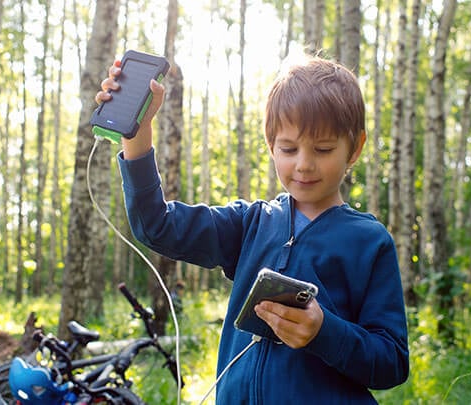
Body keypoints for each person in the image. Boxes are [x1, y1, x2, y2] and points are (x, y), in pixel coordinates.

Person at [96, 54, 409, 404]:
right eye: (288, 148)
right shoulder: (250, 223)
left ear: (355, 148)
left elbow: (392, 363)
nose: (304, 164)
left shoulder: (369, 242)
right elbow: (156, 226)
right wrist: (137, 133)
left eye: (323, 149)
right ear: (270, 144)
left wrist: (324, 332)